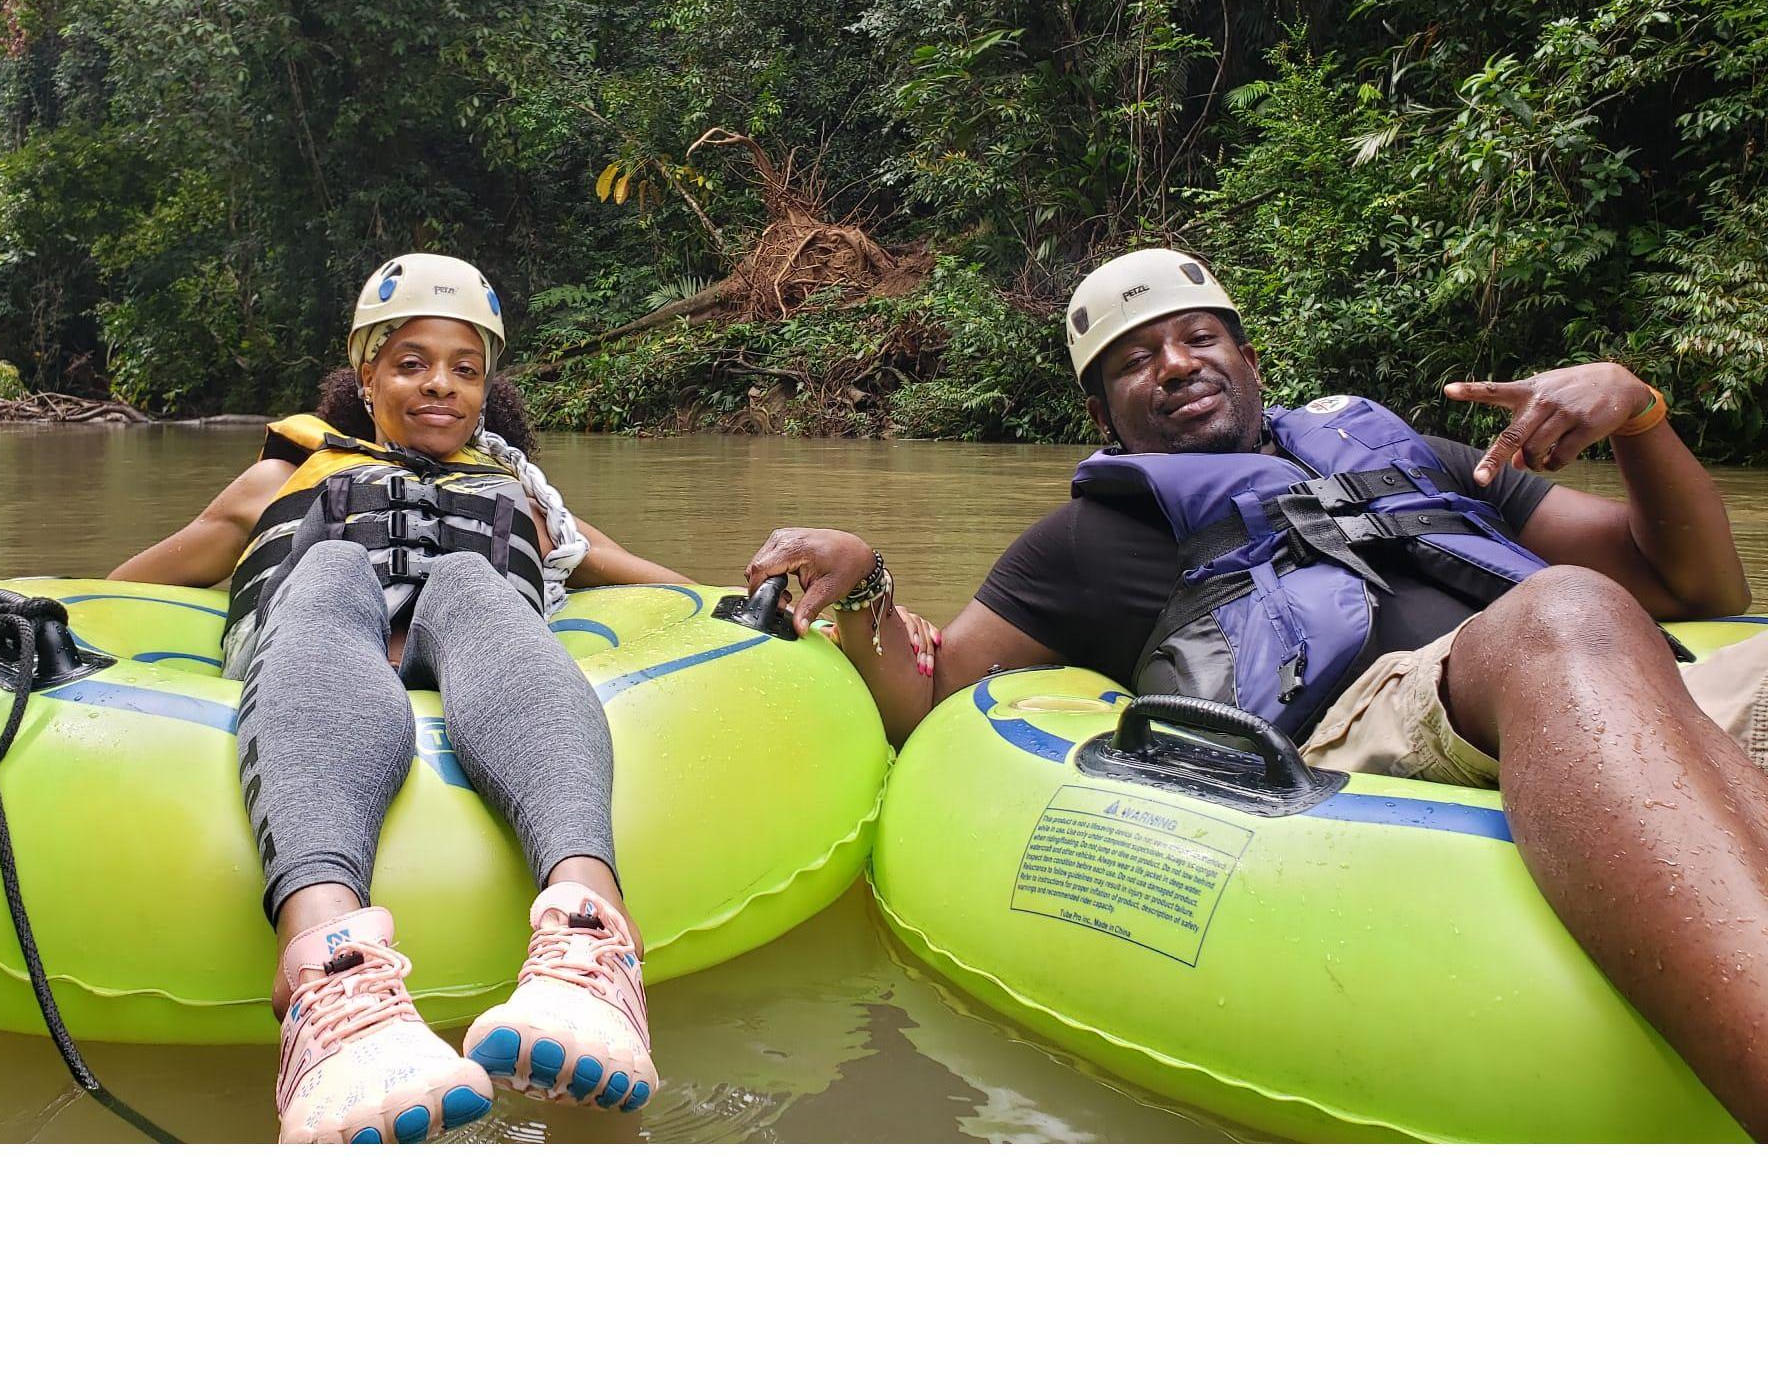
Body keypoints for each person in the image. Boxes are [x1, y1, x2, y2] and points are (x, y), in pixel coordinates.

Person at [745, 247, 1768, 1138]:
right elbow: (930, 708)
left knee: (1579, 616)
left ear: (1251, 363)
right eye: (1136, 362)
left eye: (1198, 339)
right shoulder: (1084, 545)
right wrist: (868, 577)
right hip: (1389, 729)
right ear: (1104, 415)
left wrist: (1638, 413)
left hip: (1626, 685)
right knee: (1562, 613)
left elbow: (1696, 591)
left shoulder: (1415, 456)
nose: (1176, 364)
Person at [106, 251, 693, 1143]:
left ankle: (588, 943)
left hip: (472, 652)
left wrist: (767, 605)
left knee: (475, 582)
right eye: (411, 362)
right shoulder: (278, 480)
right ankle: (328, 974)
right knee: (334, 562)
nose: (441, 387)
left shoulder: (524, 499)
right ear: (366, 374)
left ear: (488, 390)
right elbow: (110, 594)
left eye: (466, 370)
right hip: (315, 645)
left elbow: (660, 585)